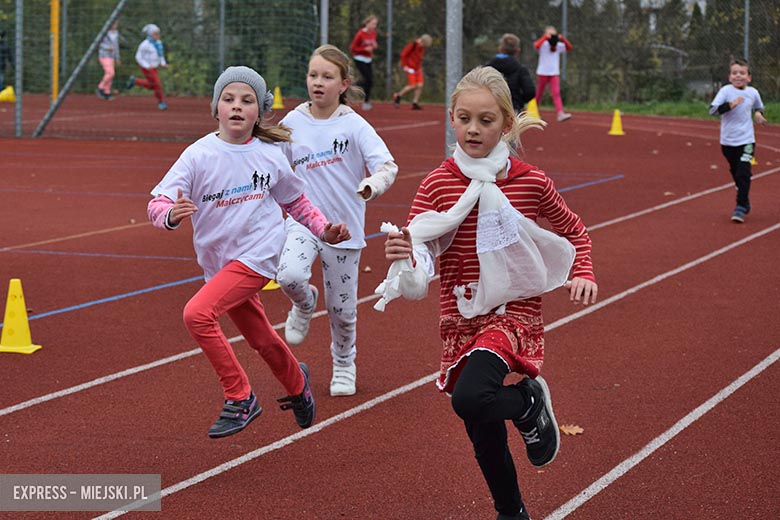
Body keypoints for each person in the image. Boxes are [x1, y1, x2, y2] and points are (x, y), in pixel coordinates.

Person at [380, 66, 597, 520]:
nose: (473, 129)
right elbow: (420, 249)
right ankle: (510, 511)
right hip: (459, 314)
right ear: (452, 120)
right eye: (464, 118)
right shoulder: (438, 182)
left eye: (486, 120)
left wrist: (584, 271)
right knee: (479, 425)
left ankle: (527, 402)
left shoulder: (531, 181)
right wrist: (405, 253)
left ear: (506, 124)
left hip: (512, 312)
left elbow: (575, 231)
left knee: (471, 397)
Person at [147, 66, 351, 439]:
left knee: (197, 314)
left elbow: (297, 202)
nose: (237, 107)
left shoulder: (269, 156)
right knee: (260, 337)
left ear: (259, 111)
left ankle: (240, 397)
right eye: (229, 99)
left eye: (247, 101)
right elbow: (158, 201)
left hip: (259, 256)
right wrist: (170, 215)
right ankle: (297, 385)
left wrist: (324, 230)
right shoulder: (198, 155)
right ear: (216, 108)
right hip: (219, 263)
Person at [276, 44, 398, 397]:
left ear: (343, 84)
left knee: (343, 310)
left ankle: (344, 363)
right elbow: (272, 165)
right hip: (304, 222)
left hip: (344, 230)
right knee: (290, 275)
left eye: (327, 77)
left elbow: (387, 166)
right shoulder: (293, 122)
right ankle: (303, 302)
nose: (318, 82)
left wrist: (371, 186)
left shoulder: (355, 126)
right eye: (313, 75)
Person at [709, 58, 766, 223]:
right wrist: (730, 105)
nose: (738, 76)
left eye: (742, 73)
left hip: (747, 140)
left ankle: (740, 206)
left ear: (749, 77)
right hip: (727, 141)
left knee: (744, 172)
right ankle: (744, 197)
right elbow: (712, 110)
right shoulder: (726, 91)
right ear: (729, 76)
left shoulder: (753, 92)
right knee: (736, 172)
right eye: (735, 73)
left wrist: (758, 114)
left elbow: (758, 106)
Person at [486, 33, 535, 114]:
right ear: (517, 51)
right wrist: (519, 101)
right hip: (513, 107)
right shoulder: (521, 69)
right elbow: (530, 91)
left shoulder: (487, 68)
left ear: (500, 49)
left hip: (490, 108)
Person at [533, 26, 572, 122]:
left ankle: (560, 113)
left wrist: (562, 39)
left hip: (554, 73)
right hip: (542, 72)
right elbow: (536, 45)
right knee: (538, 93)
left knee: (556, 93)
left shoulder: (558, 46)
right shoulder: (543, 44)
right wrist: (545, 38)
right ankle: (533, 111)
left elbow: (568, 47)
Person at [127, 23, 168, 110]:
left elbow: (160, 55)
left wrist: (163, 63)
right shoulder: (144, 45)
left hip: (154, 67)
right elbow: (138, 57)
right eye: (155, 34)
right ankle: (161, 102)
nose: (158, 36)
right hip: (147, 68)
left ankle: (136, 81)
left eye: (158, 34)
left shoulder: (159, 43)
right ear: (150, 34)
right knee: (157, 84)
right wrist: (146, 65)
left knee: (151, 85)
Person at [392, 34, 432, 110]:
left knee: (420, 85)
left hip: (418, 68)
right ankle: (398, 95)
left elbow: (419, 57)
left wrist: (419, 67)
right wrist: (405, 66)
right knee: (413, 85)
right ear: (422, 42)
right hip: (410, 68)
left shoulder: (422, 48)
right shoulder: (413, 45)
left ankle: (415, 102)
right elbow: (403, 54)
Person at [349, 14, 379, 111]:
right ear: (367, 23)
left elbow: (373, 45)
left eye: (376, 24)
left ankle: (365, 100)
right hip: (359, 58)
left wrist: (374, 46)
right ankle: (352, 87)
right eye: (373, 24)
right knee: (368, 79)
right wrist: (364, 49)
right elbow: (353, 48)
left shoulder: (374, 33)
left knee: (369, 81)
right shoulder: (360, 34)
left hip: (368, 59)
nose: (374, 26)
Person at [96, 20, 121, 100]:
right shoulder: (104, 33)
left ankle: (107, 92)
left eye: (116, 23)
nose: (115, 25)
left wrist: (117, 57)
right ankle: (100, 87)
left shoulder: (116, 33)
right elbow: (99, 44)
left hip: (111, 56)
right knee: (110, 73)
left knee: (111, 75)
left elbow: (116, 46)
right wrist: (107, 48)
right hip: (104, 55)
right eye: (113, 23)